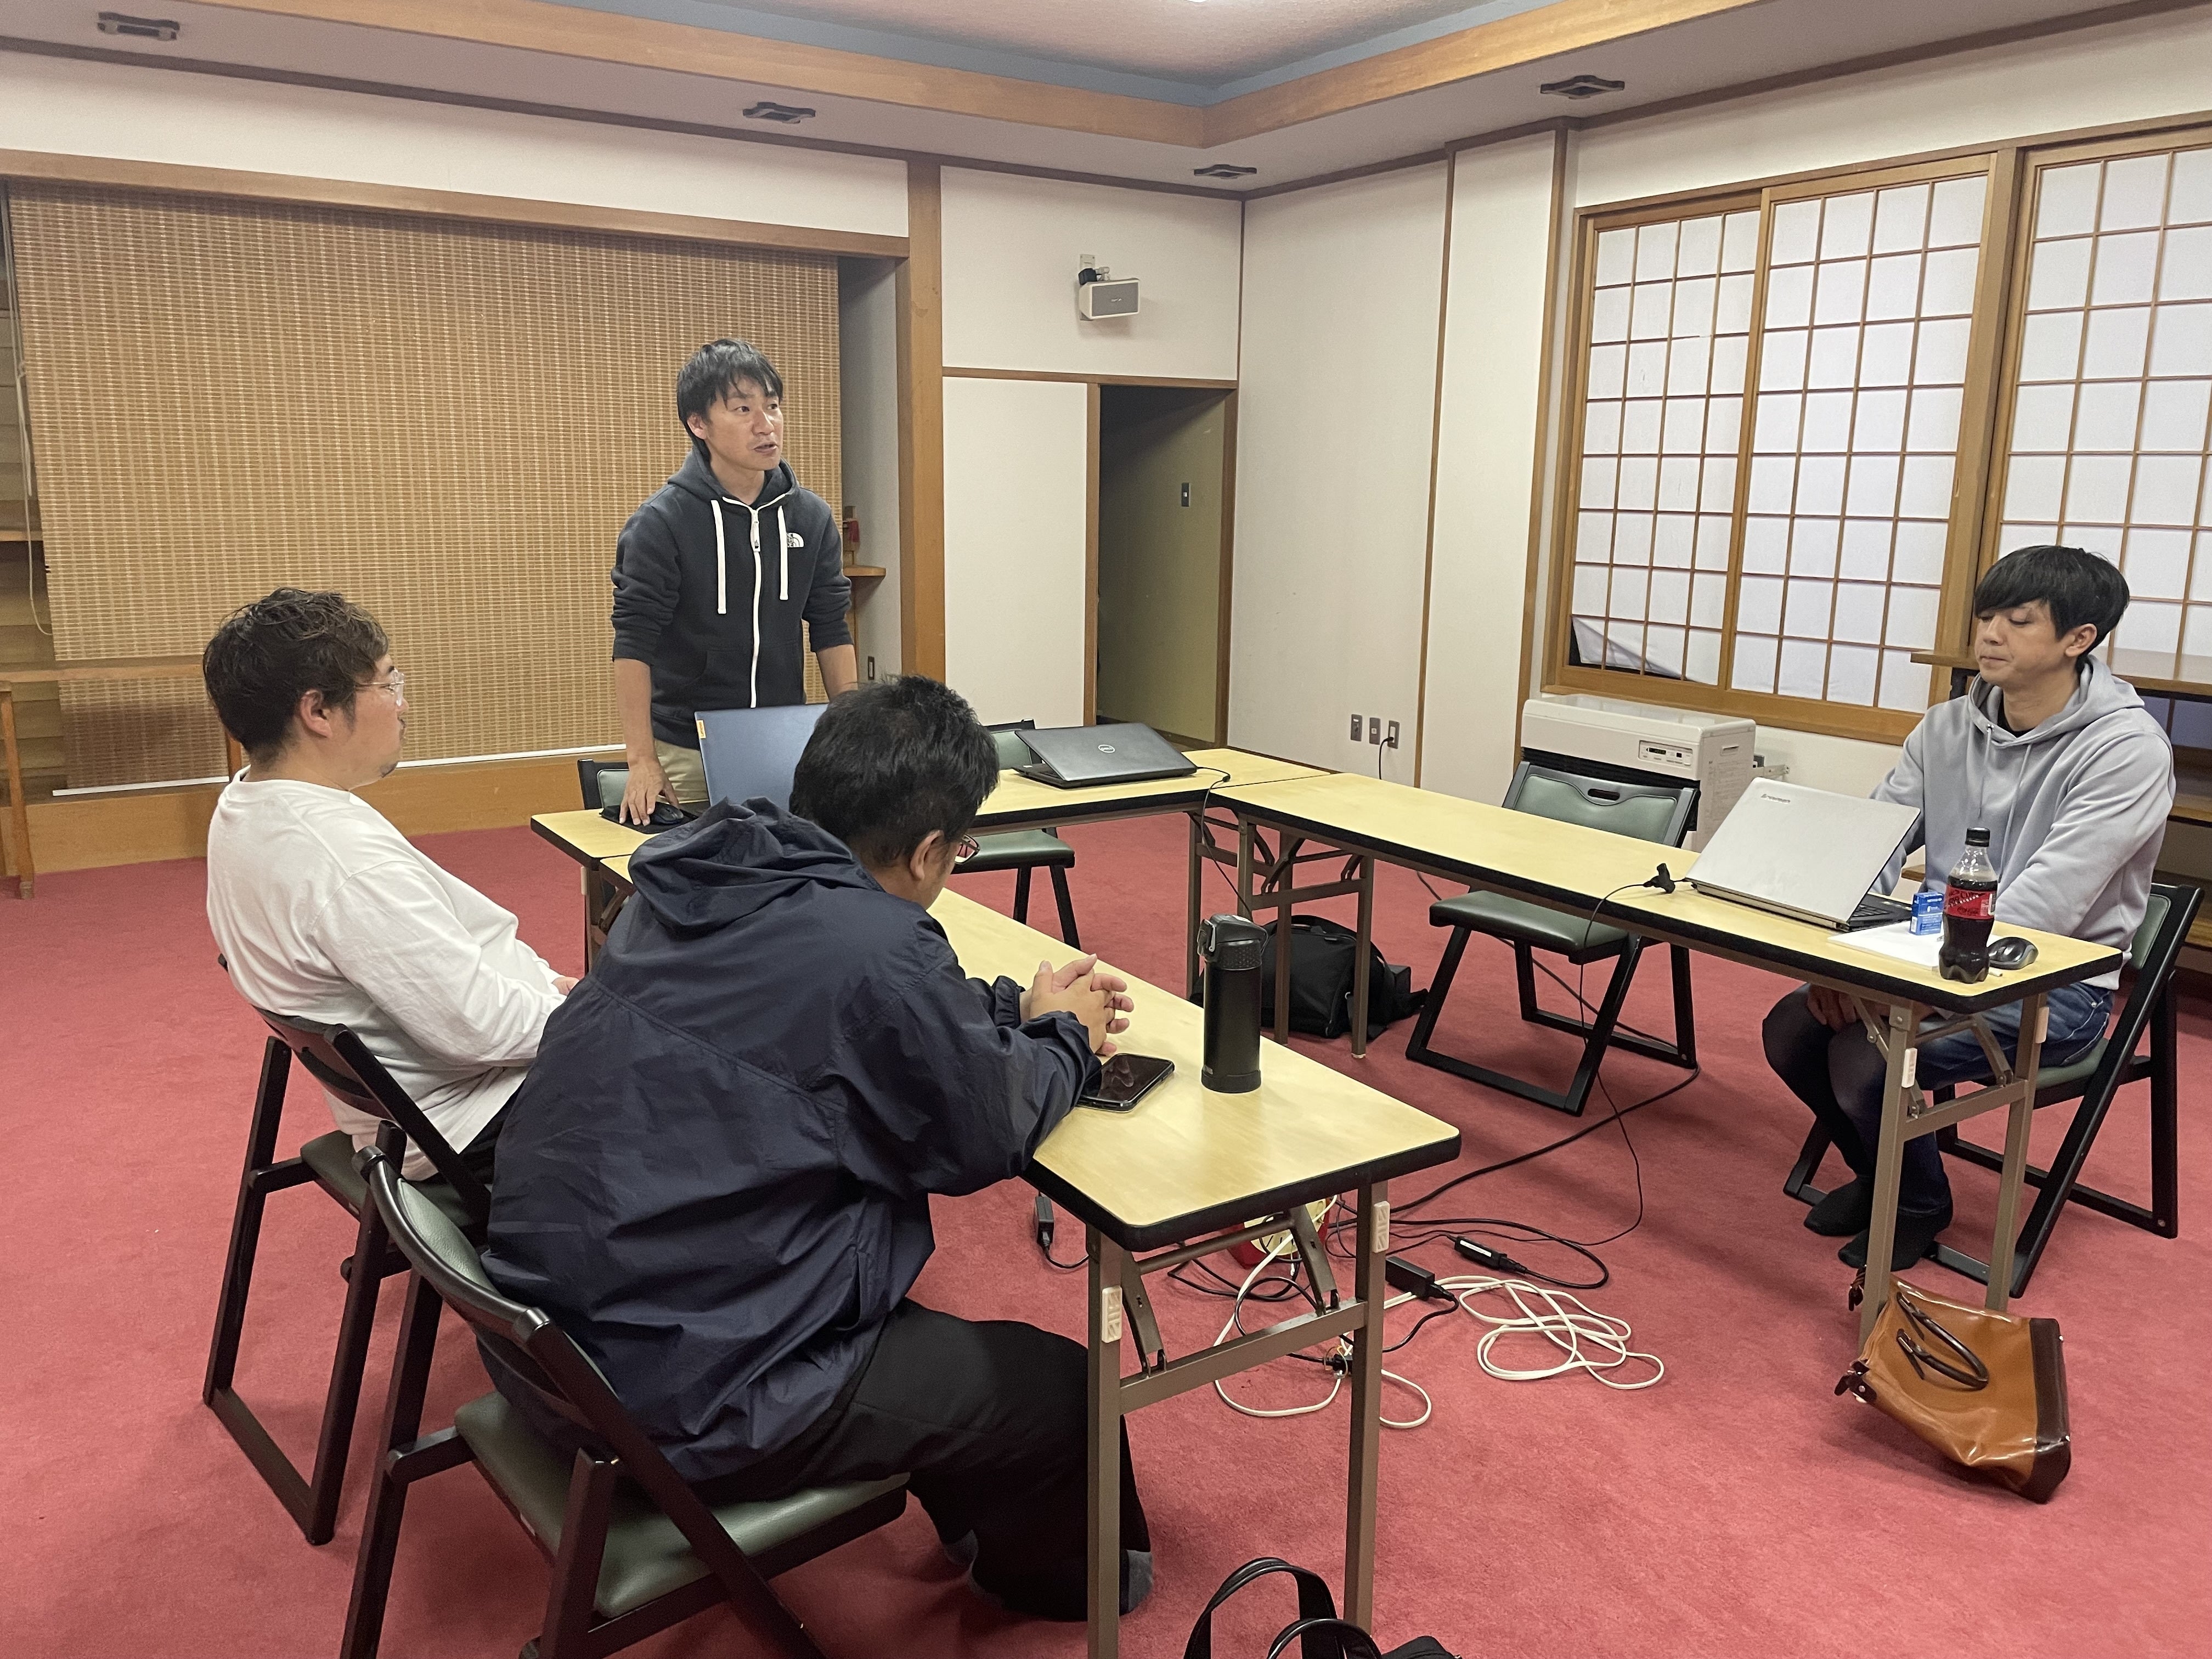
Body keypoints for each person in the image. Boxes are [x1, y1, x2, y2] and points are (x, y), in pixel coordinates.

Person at [481, 675, 1154, 1620]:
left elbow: (841, 1016)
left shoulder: (693, 880)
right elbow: (984, 1130)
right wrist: (1066, 1040)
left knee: (929, 1330)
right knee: (1058, 1388)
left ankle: (974, 1505)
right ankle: (1073, 1586)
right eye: (959, 850)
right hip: (678, 1387)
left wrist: (1016, 1012)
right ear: (928, 850)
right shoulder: (875, 947)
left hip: (552, 1336)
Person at [1763, 545, 2176, 1271]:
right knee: (1792, 1029)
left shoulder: (2127, 751)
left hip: (2054, 984)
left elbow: (2045, 906)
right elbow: (1874, 840)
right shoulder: (1947, 727)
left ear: (2079, 639)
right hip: (1926, 953)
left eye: (2019, 621)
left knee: (1868, 1056)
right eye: (1987, 616)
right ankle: (1883, 1174)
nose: (1990, 634)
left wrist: (1900, 993)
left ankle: (1918, 1202)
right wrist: (1838, 963)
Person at [202, 589, 572, 1181]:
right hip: (472, 1117)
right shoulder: (339, 860)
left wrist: (553, 988)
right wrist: (593, 1010)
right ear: (319, 712)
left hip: (428, 1095)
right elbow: (481, 1030)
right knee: (713, 1051)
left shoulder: (248, 802)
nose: (403, 705)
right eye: (388, 683)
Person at [610, 338, 856, 823]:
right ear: (698, 424)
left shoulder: (810, 517)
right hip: (687, 746)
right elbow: (634, 642)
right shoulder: (662, 522)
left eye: (773, 406)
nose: (766, 425)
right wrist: (642, 761)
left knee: (794, 862)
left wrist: (853, 732)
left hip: (782, 739)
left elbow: (831, 627)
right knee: (690, 867)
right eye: (743, 409)